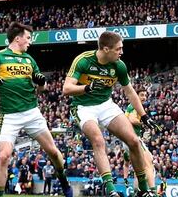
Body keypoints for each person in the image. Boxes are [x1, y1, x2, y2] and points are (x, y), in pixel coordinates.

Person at [0, 22, 73, 197]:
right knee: (4, 156)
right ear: (17, 38)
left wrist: (42, 81)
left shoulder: (29, 60)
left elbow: (43, 88)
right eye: (28, 38)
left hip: (32, 113)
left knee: (53, 152)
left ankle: (63, 180)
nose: (30, 42)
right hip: (9, 116)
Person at [63, 31, 157, 197]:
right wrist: (87, 88)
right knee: (98, 140)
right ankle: (111, 190)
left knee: (134, 141)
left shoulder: (119, 65)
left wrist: (144, 116)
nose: (122, 52)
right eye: (118, 49)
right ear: (106, 49)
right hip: (84, 107)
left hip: (106, 105)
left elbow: (130, 92)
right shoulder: (83, 60)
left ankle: (143, 190)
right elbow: (67, 89)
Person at [123, 90, 158, 195]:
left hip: (130, 138)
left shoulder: (132, 106)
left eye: (145, 95)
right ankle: (153, 192)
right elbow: (132, 119)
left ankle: (137, 192)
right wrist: (144, 123)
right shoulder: (135, 105)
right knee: (148, 163)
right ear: (136, 96)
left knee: (141, 166)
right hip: (131, 138)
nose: (144, 97)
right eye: (142, 95)